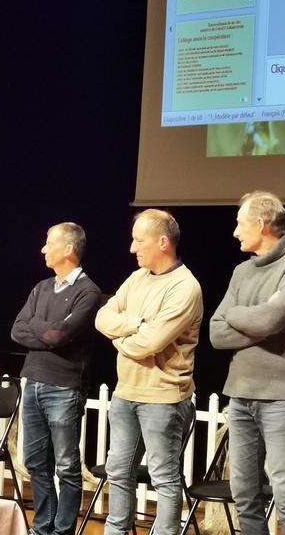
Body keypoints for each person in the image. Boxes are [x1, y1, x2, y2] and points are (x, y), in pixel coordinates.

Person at [210, 191, 285, 535]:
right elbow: (216, 333)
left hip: (282, 396)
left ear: (260, 224)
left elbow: (270, 321)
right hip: (240, 393)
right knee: (244, 492)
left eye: (240, 224)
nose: (235, 233)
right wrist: (258, 320)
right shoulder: (241, 271)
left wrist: (239, 315)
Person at [95, 209, 203, 535]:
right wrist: (134, 325)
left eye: (139, 241)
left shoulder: (184, 287)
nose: (132, 248)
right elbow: (102, 317)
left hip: (163, 397)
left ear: (163, 242)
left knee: (163, 477)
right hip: (126, 391)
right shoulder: (136, 278)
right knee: (118, 471)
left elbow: (150, 343)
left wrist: (119, 338)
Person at [11, 222, 102, 535]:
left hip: (64, 387)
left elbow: (59, 336)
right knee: (36, 462)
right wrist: (46, 330)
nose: (43, 249)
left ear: (68, 250)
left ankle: (62, 531)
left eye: (49, 243)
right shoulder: (41, 287)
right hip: (33, 381)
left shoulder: (88, 291)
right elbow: (17, 330)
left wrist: (38, 324)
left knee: (66, 466)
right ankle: (42, 527)